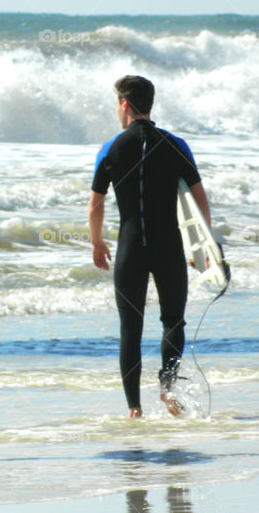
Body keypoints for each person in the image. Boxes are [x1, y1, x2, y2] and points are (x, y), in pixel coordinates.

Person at [88, 75, 211, 418]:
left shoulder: (111, 148)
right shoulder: (175, 145)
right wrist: (202, 245)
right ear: (150, 103)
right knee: (173, 321)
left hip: (130, 249)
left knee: (131, 328)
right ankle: (168, 386)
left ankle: (134, 410)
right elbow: (199, 198)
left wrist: (97, 243)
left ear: (124, 104)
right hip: (168, 246)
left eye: (117, 103)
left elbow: (94, 205)